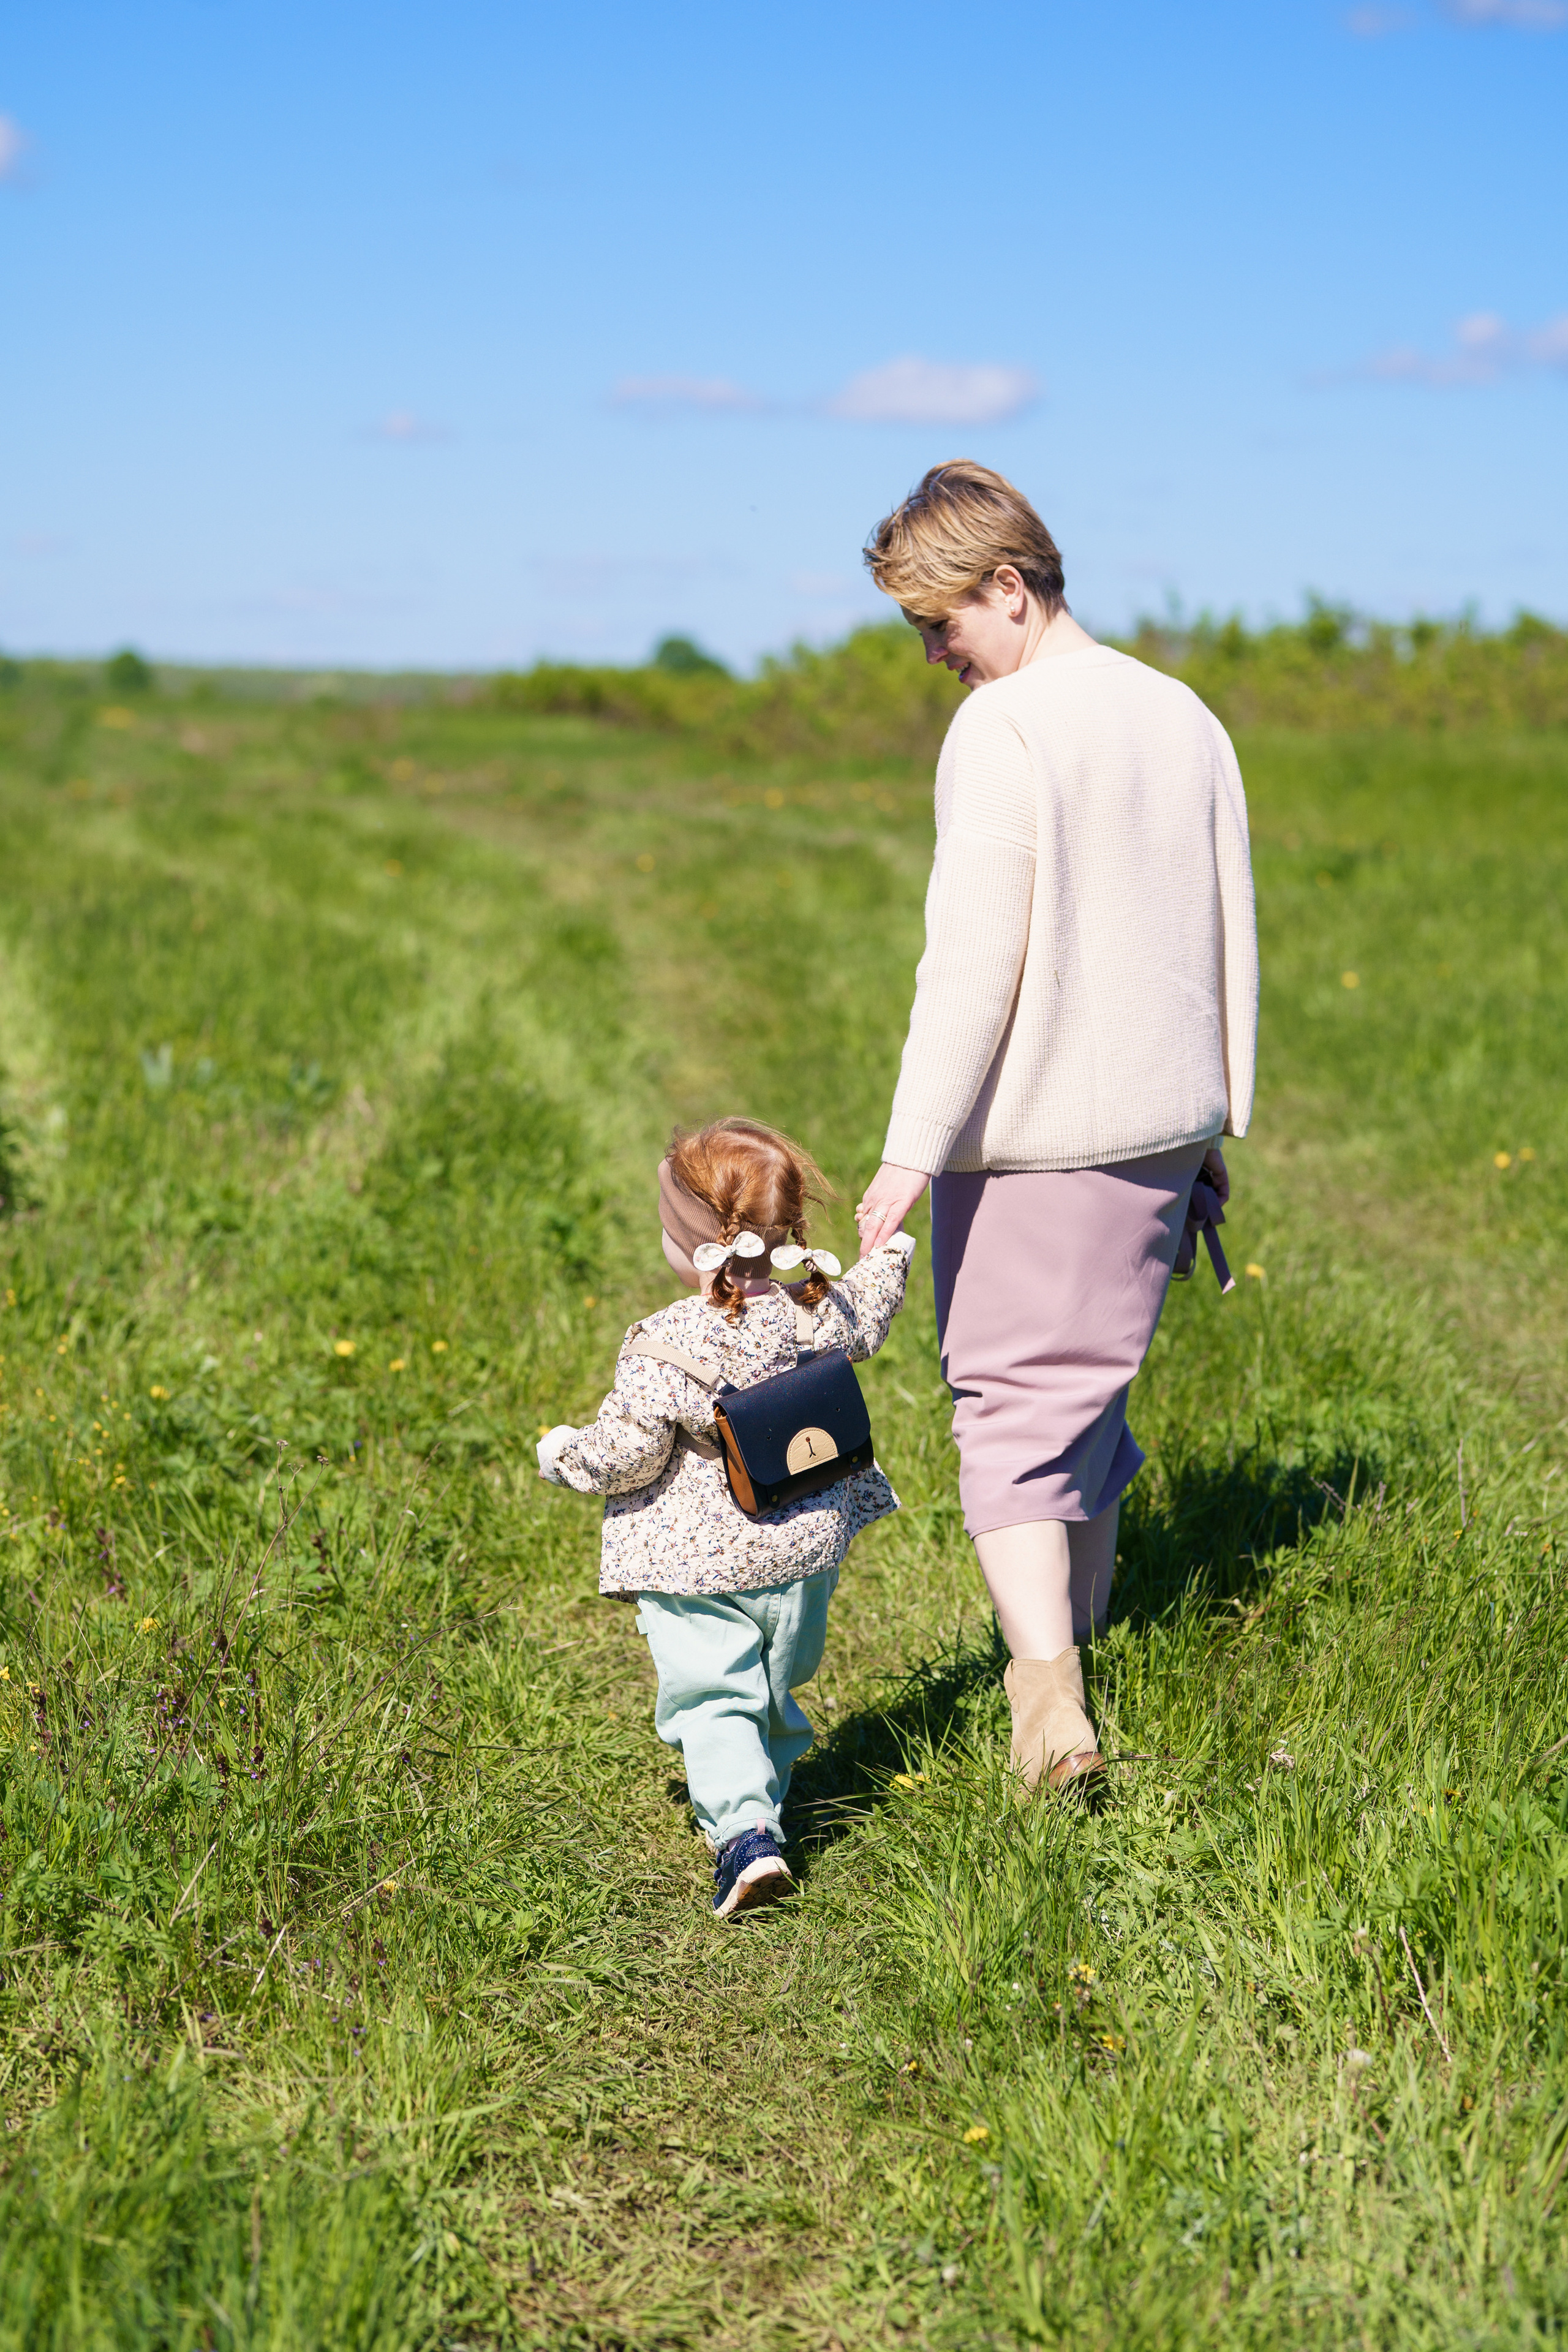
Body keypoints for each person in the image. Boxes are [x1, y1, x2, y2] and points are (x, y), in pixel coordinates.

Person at [853, 461, 1257, 1796]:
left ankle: (1046, 1706)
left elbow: (971, 961)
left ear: (1008, 586)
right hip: (1160, 1126)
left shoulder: (1005, 728)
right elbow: (1217, 923)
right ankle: (1083, 1643)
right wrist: (1211, 1112)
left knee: (1011, 1407)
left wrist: (912, 1146)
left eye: (940, 622)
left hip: (1041, 1130)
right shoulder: (1181, 711)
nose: (934, 654)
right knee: (1087, 1395)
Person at [537, 1118, 916, 1918]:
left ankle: (745, 1834)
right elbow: (872, 1307)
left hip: (697, 1564)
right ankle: (763, 1800)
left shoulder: (666, 1344)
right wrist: (891, 1251)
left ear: (694, 1248)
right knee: (774, 1685)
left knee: (714, 1694)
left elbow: (628, 1455)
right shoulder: (817, 1308)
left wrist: (564, 1454)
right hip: (804, 1548)